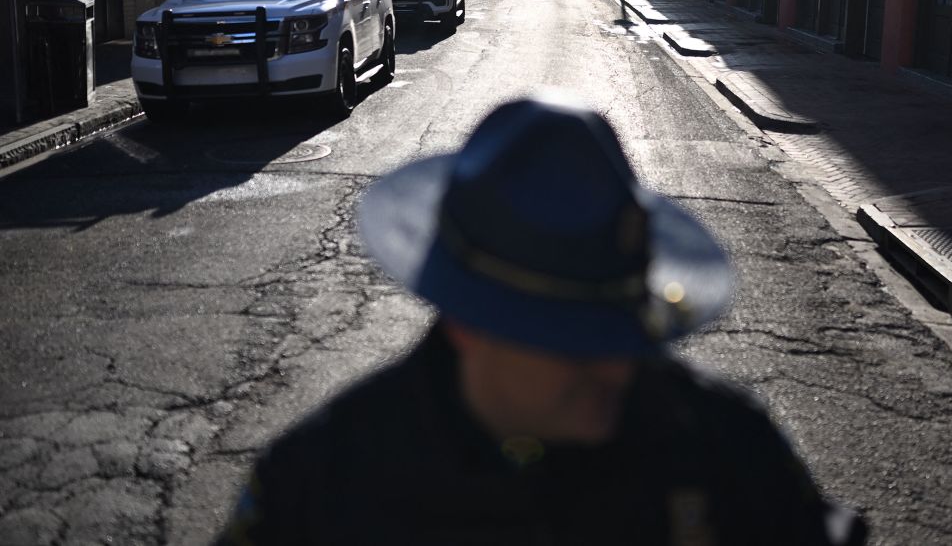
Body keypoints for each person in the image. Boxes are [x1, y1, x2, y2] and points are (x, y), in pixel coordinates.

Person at [215, 94, 867, 546]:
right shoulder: (327, 483)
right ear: (466, 323)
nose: (616, 366)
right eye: (572, 343)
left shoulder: (727, 450)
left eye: (624, 329)